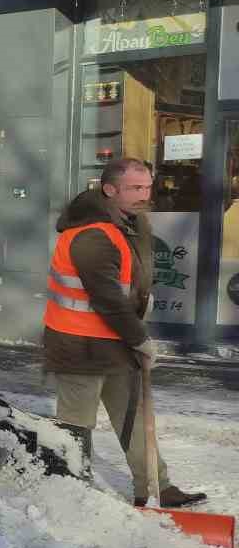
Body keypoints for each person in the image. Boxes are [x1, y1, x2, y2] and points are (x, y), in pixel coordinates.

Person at [43, 158, 205, 508]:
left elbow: (129, 287)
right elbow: (106, 297)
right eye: (135, 188)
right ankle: (69, 491)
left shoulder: (129, 225)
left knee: (134, 415)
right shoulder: (91, 234)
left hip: (114, 341)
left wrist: (133, 334)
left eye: (147, 187)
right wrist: (140, 339)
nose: (144, 195)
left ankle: (155, 487)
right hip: (78, 345)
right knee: (76, 424)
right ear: (109, 189)